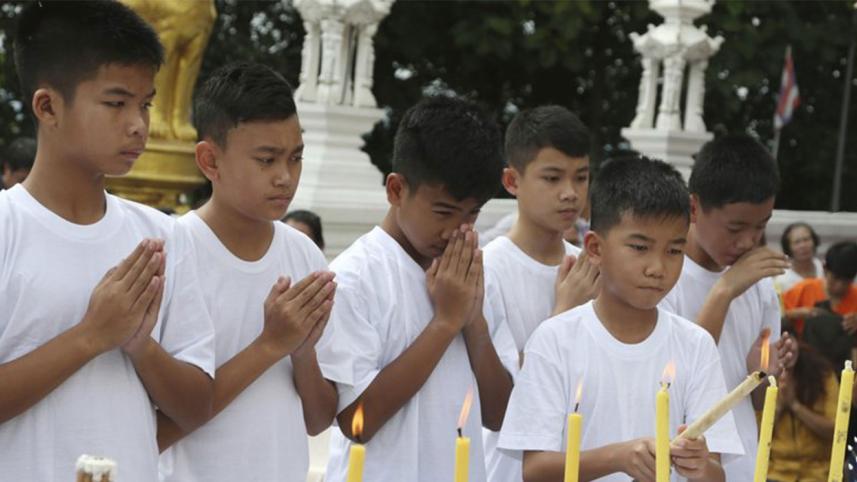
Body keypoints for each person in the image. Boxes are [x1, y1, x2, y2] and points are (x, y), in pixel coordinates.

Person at [0, 2, 215, 480]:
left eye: (146, 104)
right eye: (116, 103)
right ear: (48, 106)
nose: (140, 124)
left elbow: (197, 406)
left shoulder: (161, 237)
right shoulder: (6, 229)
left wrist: (142, 346)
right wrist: (92, 336)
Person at [498, 156, 742, 482]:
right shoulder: (555, 339)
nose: (657, 267)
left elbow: (716, 473)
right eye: (640, 247)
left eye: (673, 251)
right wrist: (617, 457)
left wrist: (700, 467)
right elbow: (535, 469)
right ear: (595, 249)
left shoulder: (695, 345)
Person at [156, 62, 339, 481]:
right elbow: (153, 430)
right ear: (210, 160)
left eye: (295, 158)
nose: (285, 177)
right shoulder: (171, 255)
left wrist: (302, 349)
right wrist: (271, 345)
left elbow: (318, 420)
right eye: (266, 160)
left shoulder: (304, 257)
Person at [322, 96, 518, 482]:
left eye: (473, 213)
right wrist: (445, 323)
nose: (456, 230)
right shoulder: (354, 278)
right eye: (443, 211)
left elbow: (500, 415)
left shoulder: (474, 274)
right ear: (396, 190)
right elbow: (357, 421)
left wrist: (473, 321)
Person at [660, 134, 795, 480]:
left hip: (742, 464)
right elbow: (675, 380)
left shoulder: (761, 286)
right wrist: (724, 291)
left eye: (761, 226)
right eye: (735, 227)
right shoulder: (661, 276)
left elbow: (762, 404)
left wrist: (766, 373)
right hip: (679, 464)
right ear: (694, 208)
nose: (749, 241)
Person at [481, 105, 599, 482]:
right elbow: (503, 402)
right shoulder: (487, 270)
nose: (570, 194)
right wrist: (563, 312)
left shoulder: (592, 268)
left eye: (581, 178)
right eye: (552, 178)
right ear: (512, 181)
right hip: (506, 469)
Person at [763, 342, 837, 481]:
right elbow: (755, 436)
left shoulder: (823, 376)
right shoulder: (764, 378)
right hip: (776, 474)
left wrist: (795, 406)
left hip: (817, 474)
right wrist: (779, 407)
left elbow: (836, 429)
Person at [784, 241, 857, 367]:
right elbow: (775, 317)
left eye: (846, 281)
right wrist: (798, 313)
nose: (839, 286)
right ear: (824, 268)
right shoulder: (803, 289)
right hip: (803, 364)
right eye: (835, 278)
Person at [776, 222, 823, 292]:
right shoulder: (783, 280)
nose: (803, 246)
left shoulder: (823, 268)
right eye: (797, 242)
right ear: (788, 247)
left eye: (806, 239)